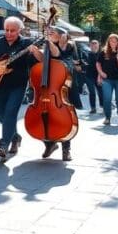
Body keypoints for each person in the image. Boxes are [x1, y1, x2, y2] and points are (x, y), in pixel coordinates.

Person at [0, 16, 41, 159]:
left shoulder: (26, 43)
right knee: (2, 116)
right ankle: (15, 138)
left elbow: (40, 59)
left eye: (12, 30)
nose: (9, 33)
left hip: (18, 85)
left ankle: (3, 145)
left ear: (19, 30)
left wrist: (35, 51)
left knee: (10, 113)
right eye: (6, 30)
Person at [38, 26, 80, 162]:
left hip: (63, 86)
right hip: (49, 86)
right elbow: (42, 60)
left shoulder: (68, 46)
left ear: (62, 35)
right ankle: (49, 143)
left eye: (52, 33)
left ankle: (66, 150)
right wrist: (35, 52)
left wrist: (48, 41)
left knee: (64, 118)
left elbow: (57, 55)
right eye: (49, 33)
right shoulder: (49, 45)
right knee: (44, 117)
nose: (50, 35)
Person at [96, 33, 118, 126]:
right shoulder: (104, 51)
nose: (113, 43)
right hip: (107, 80)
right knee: (107, 99)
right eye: (111, 41)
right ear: (108, 41)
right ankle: (107, 118)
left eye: (115, 41)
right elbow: (98, 63)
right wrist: (101, 73)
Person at [81, 39, 102, 113]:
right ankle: (93, 108)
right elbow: (83, 62)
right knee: (92, 92)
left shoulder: (101, 54)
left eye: (95, 44)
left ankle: (102, 106)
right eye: (92, 44)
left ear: (98, 45)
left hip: (99, 76)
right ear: (90, 46)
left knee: (100, 91)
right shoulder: (86, 53)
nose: (94, 46)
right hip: (89, 76)